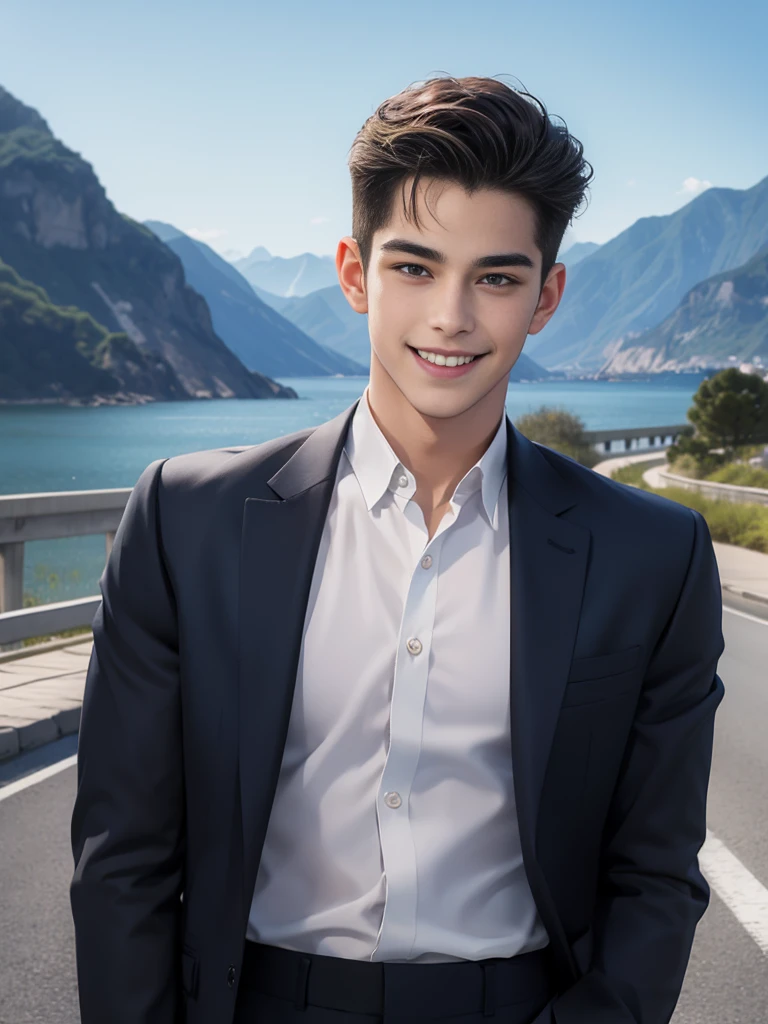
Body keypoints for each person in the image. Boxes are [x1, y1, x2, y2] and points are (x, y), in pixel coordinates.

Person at [69, 74, 726, 1024]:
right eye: (414, 268)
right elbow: (122, 862)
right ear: (353, 273)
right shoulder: (185, 522)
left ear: (546, 297)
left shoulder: (652, 554)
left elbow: (657, 874)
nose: (451, 317)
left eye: (495, 277)